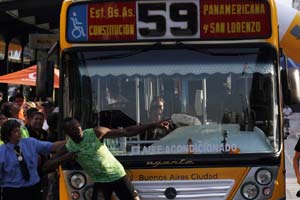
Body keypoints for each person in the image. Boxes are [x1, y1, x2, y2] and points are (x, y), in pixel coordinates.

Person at [43, 117, 169, 200]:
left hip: (117, 175)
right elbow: (46, 166)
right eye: (73, 129)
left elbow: (126, 131)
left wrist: (154, 124)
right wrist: (65, 157)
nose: (78, 130)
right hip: (101, 181)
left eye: (78, 126)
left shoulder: (95, 133)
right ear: (67, 133)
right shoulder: (68, 147)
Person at [0, 120, 65, 200]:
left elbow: (51, 146)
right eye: (15, 131)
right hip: (13, 191)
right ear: (8, 134)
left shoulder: (30, 142)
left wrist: (69, 142)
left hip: (33, 189)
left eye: (19, 130)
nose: (19, 132)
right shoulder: (2, 152)